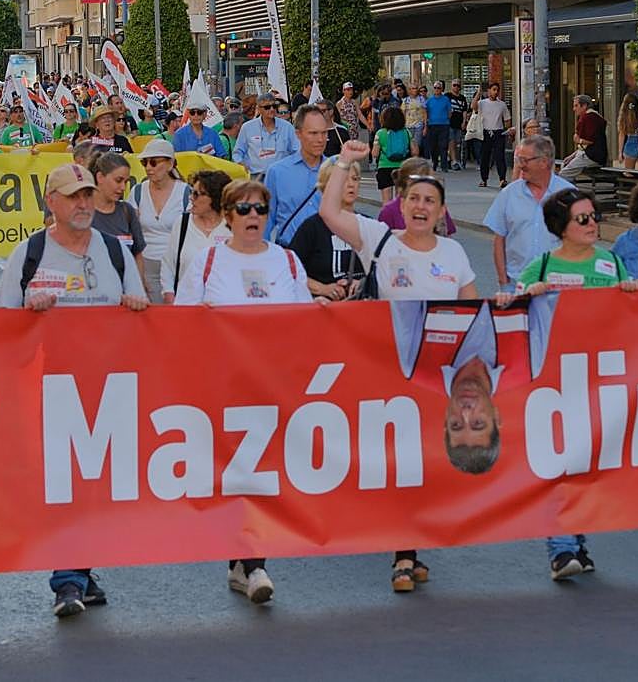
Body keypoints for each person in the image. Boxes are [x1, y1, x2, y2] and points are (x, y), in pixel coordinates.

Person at [320, 140, 477, 592]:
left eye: (430, 201)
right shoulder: (380, 241)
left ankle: (411, 546)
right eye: (413, 199)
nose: (421, 207)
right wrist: (346, 160)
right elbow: (331, 212)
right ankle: (403, 555)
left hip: (438, 378)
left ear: (442, 210)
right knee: (402, 464)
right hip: (391, 376)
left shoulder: (454, 255)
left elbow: (472, 318)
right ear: (401, 204)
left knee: (428, 468)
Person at [0, 163, 147, 617]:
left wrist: (136, 306)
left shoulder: (114, 251)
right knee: (65, 482)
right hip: (51, 388)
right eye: (73, 196)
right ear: (51, 202)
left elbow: (142, 310)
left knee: (95, 486)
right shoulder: (31, 253)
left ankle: (81, 571)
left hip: (108, 387)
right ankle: (68, 581)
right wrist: (28, 310)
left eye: (86, 195)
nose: (83, 204)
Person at [175, 178, 317, 605]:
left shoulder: (287, 262)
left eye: (260, 209)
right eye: (243, 210)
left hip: (276, 388)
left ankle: (246, 560)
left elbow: (307, 324)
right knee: (240, 473)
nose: (253, 217)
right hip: (225, 387)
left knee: (264, 475)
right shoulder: (206, 262)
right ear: (226, 216)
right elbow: (180, 324)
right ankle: (253, 562)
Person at [501, 187, 638, 579]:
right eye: (583, 219)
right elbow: (511, 313)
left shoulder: (612, 264)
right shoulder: (541, 267)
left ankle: (577, 541)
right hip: (555, 381)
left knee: (585, 466)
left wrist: (630, 294)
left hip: (598, 379)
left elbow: (633, 319)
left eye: (594, 216)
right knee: (561, 463)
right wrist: (526, 295)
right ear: (562, 227)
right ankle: (561, 549)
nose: (593, 223)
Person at [484, 135, 575, 292]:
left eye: (525, 161)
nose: (520, 166)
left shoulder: (569, 195)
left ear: (544, 162)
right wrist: (503, 282)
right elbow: (499, 240)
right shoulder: (509, 194)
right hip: (516, 285)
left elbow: (580, 241)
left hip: (558, 286)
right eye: (519, 160)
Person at [289, 159, 368, 301]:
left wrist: (363, 283)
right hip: (323, 307)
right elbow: (291, 271)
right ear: (327, 186)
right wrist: (323, 289)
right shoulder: (312, 227)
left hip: (362, 308)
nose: (351, 184)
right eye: (344, 179)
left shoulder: (368, 225)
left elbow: (384, 271)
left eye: (355, 179)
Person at [130, 140, 189, 301]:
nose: (148, 167)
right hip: (147, 265)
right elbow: (132, 234)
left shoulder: (186, 193)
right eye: (145, 162)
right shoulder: (137, 192)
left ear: (170, 164)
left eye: (154, 162)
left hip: (178, 267)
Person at [161, 170, 233, 303]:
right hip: (187, 307)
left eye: (196, 194)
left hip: (223, 308)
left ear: (215, 198)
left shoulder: (232, 227)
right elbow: (168, 263)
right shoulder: (182, 223)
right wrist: (169, 294)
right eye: (191, 192)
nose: (191, 198)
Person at [265, 104, 329, 246]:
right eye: (313, 133)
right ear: (298, 134)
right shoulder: (277, 172)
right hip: (289, 253)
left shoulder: (336, 170)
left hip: (328, 257)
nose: (320, 139)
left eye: (324, 133)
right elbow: (266, 220)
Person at [88, 151, 148, 289]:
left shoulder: (127, 211)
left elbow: (137, 254)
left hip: (125, 298)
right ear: (100, 177)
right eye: (118, 180)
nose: (123, 188)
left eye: (126, 182)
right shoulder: (83, 213)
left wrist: (137, 288)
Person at [377, 158, 458, 237]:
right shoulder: (389, 211)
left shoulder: (436, 206)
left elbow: (447, 236)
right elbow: (381, 243)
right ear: (408, 182)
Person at [233, 91, 297, 178]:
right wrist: (241, 163)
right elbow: (237, 152)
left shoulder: (287, 127)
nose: (271, 109)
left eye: (274, 106)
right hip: (256, 177)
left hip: (282, 176)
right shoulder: (247, 127)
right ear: (259, 109)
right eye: (267, 107)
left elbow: (297, 151)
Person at [559, 95, 609, 180]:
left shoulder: (590, 118)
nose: (574, 109)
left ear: (584, 105)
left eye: (576, 106)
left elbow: (590, 141)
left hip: (592, 156)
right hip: (588, 153)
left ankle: (570, 192)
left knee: (563, 174)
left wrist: (578, 140)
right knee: (564, 165)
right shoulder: (591, 117)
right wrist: (572, 155)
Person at [372, 105, 415, 202]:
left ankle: (387, 217)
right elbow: (415, 151)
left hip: (384, 167)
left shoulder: (380, 133)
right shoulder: (407, 132)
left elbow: (375, 153)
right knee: (399, 201)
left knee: (387, 202)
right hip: (402, 167)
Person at [473, 82, 512, 188]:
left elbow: (507, 119)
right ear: (489, 90)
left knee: (500, 156)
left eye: (497, 90)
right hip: (485, 132)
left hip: (498, 132)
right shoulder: (482, 103)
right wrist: (478, 93)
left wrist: (508, 132)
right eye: (493, 89)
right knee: (485, 157)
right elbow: (474, 106)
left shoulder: (502, 105)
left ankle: (502, 179)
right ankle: (484, 179)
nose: (495, 92)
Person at [424, 81, 453, 172]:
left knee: (443, 146)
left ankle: (444, 166)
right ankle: (434, 163)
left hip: (444, 125)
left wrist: (445, 119)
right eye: (435, 87)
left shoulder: (446, 99)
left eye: (439, 88)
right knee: (433, 146)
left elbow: (450, 112)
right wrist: (426, 123)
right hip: (432, 125)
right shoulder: (429, 100)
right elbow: (426, 112)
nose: (437, 89)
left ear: (442, 89)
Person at [617, 91, 638, 170]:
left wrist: (620, 153)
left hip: (631, 143)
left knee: (628, 172)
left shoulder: (624, 117)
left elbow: (621, 135)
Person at [446, 79, 469, 170]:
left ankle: (453, 159)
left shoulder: (462, 98)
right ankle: (454, 161)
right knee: (451, 141)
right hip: (449, 123)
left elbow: (464, 111)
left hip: (458, 123)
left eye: (458, 85)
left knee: (457, 142)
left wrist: (464, 122)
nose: (456, 87)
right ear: (451, 86)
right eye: (454, 85)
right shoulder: (447, 96)